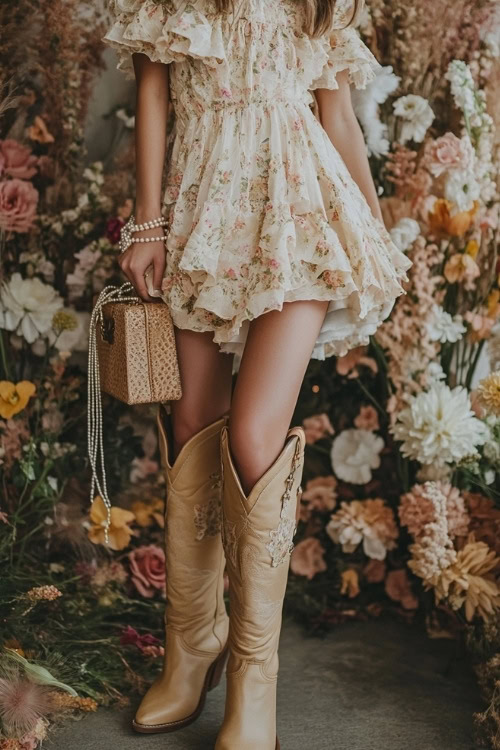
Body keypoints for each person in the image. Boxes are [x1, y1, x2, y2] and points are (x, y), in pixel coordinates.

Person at [103, 0, 412, 747]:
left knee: (251, 435)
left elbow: (337, 117)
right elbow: (151, 90)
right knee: (191, 424)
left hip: (301, 210)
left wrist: (371, 232)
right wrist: (148, 223)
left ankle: (254, 676)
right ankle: (192, 645)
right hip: (201, 205)